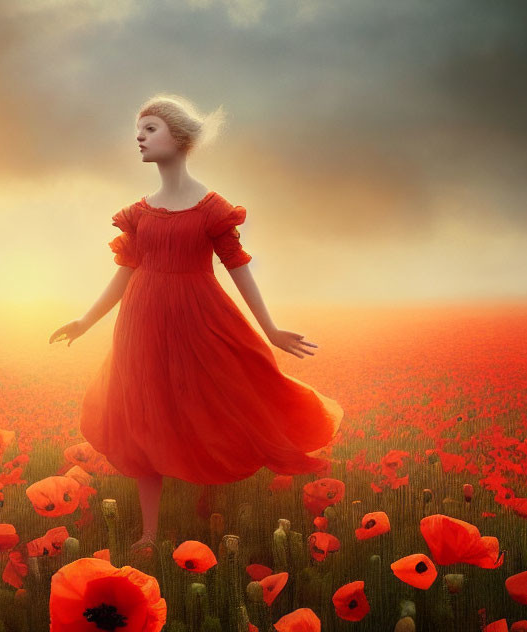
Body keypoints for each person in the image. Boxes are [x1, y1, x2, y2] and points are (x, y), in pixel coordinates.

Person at [49, 94, 343, 555]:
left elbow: (239, 267)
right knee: (143, 413)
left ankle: (210, 499)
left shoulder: (211, 208)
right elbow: (123, 275)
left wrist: (269, 328)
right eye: (138, 130)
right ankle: (148, 533)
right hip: (141, 323)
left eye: (150, 129)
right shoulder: (138, 213)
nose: (139, 138)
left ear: (180, 138)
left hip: (200, 320)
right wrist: (85, 321)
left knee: (211, 400)